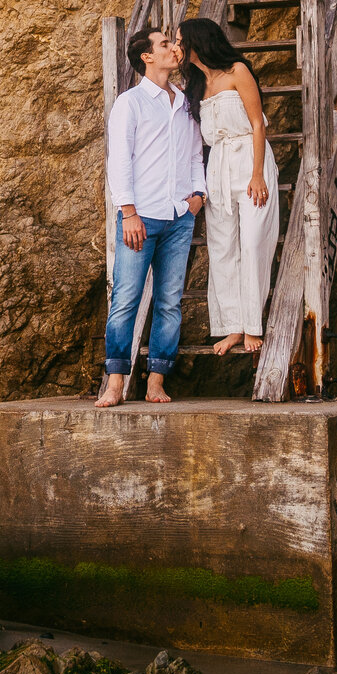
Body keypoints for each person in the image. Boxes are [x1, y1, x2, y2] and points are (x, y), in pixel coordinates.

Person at [100, 24, 206, 406]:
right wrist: (128, 212)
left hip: (179, 216)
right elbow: (119, 161)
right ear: (147, 57)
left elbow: (196, 154)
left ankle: (156, 380)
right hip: (139, 217)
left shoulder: (185, 101)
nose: (172, 48)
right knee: (126, 298)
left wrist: (198, 195)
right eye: (165, 44)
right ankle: (114, 383)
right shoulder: (130, 102)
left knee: (169, 301)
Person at [180, 17, 280, 354]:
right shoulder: (195, 86)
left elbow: (256, 123)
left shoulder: (237, 71)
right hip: (218, 167)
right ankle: (234, 326)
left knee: (252, 243)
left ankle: (253, 324)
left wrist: (257, 174)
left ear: (198, 42)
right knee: (223, 249)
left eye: (181, 41)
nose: (178, 47)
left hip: (249, 160)